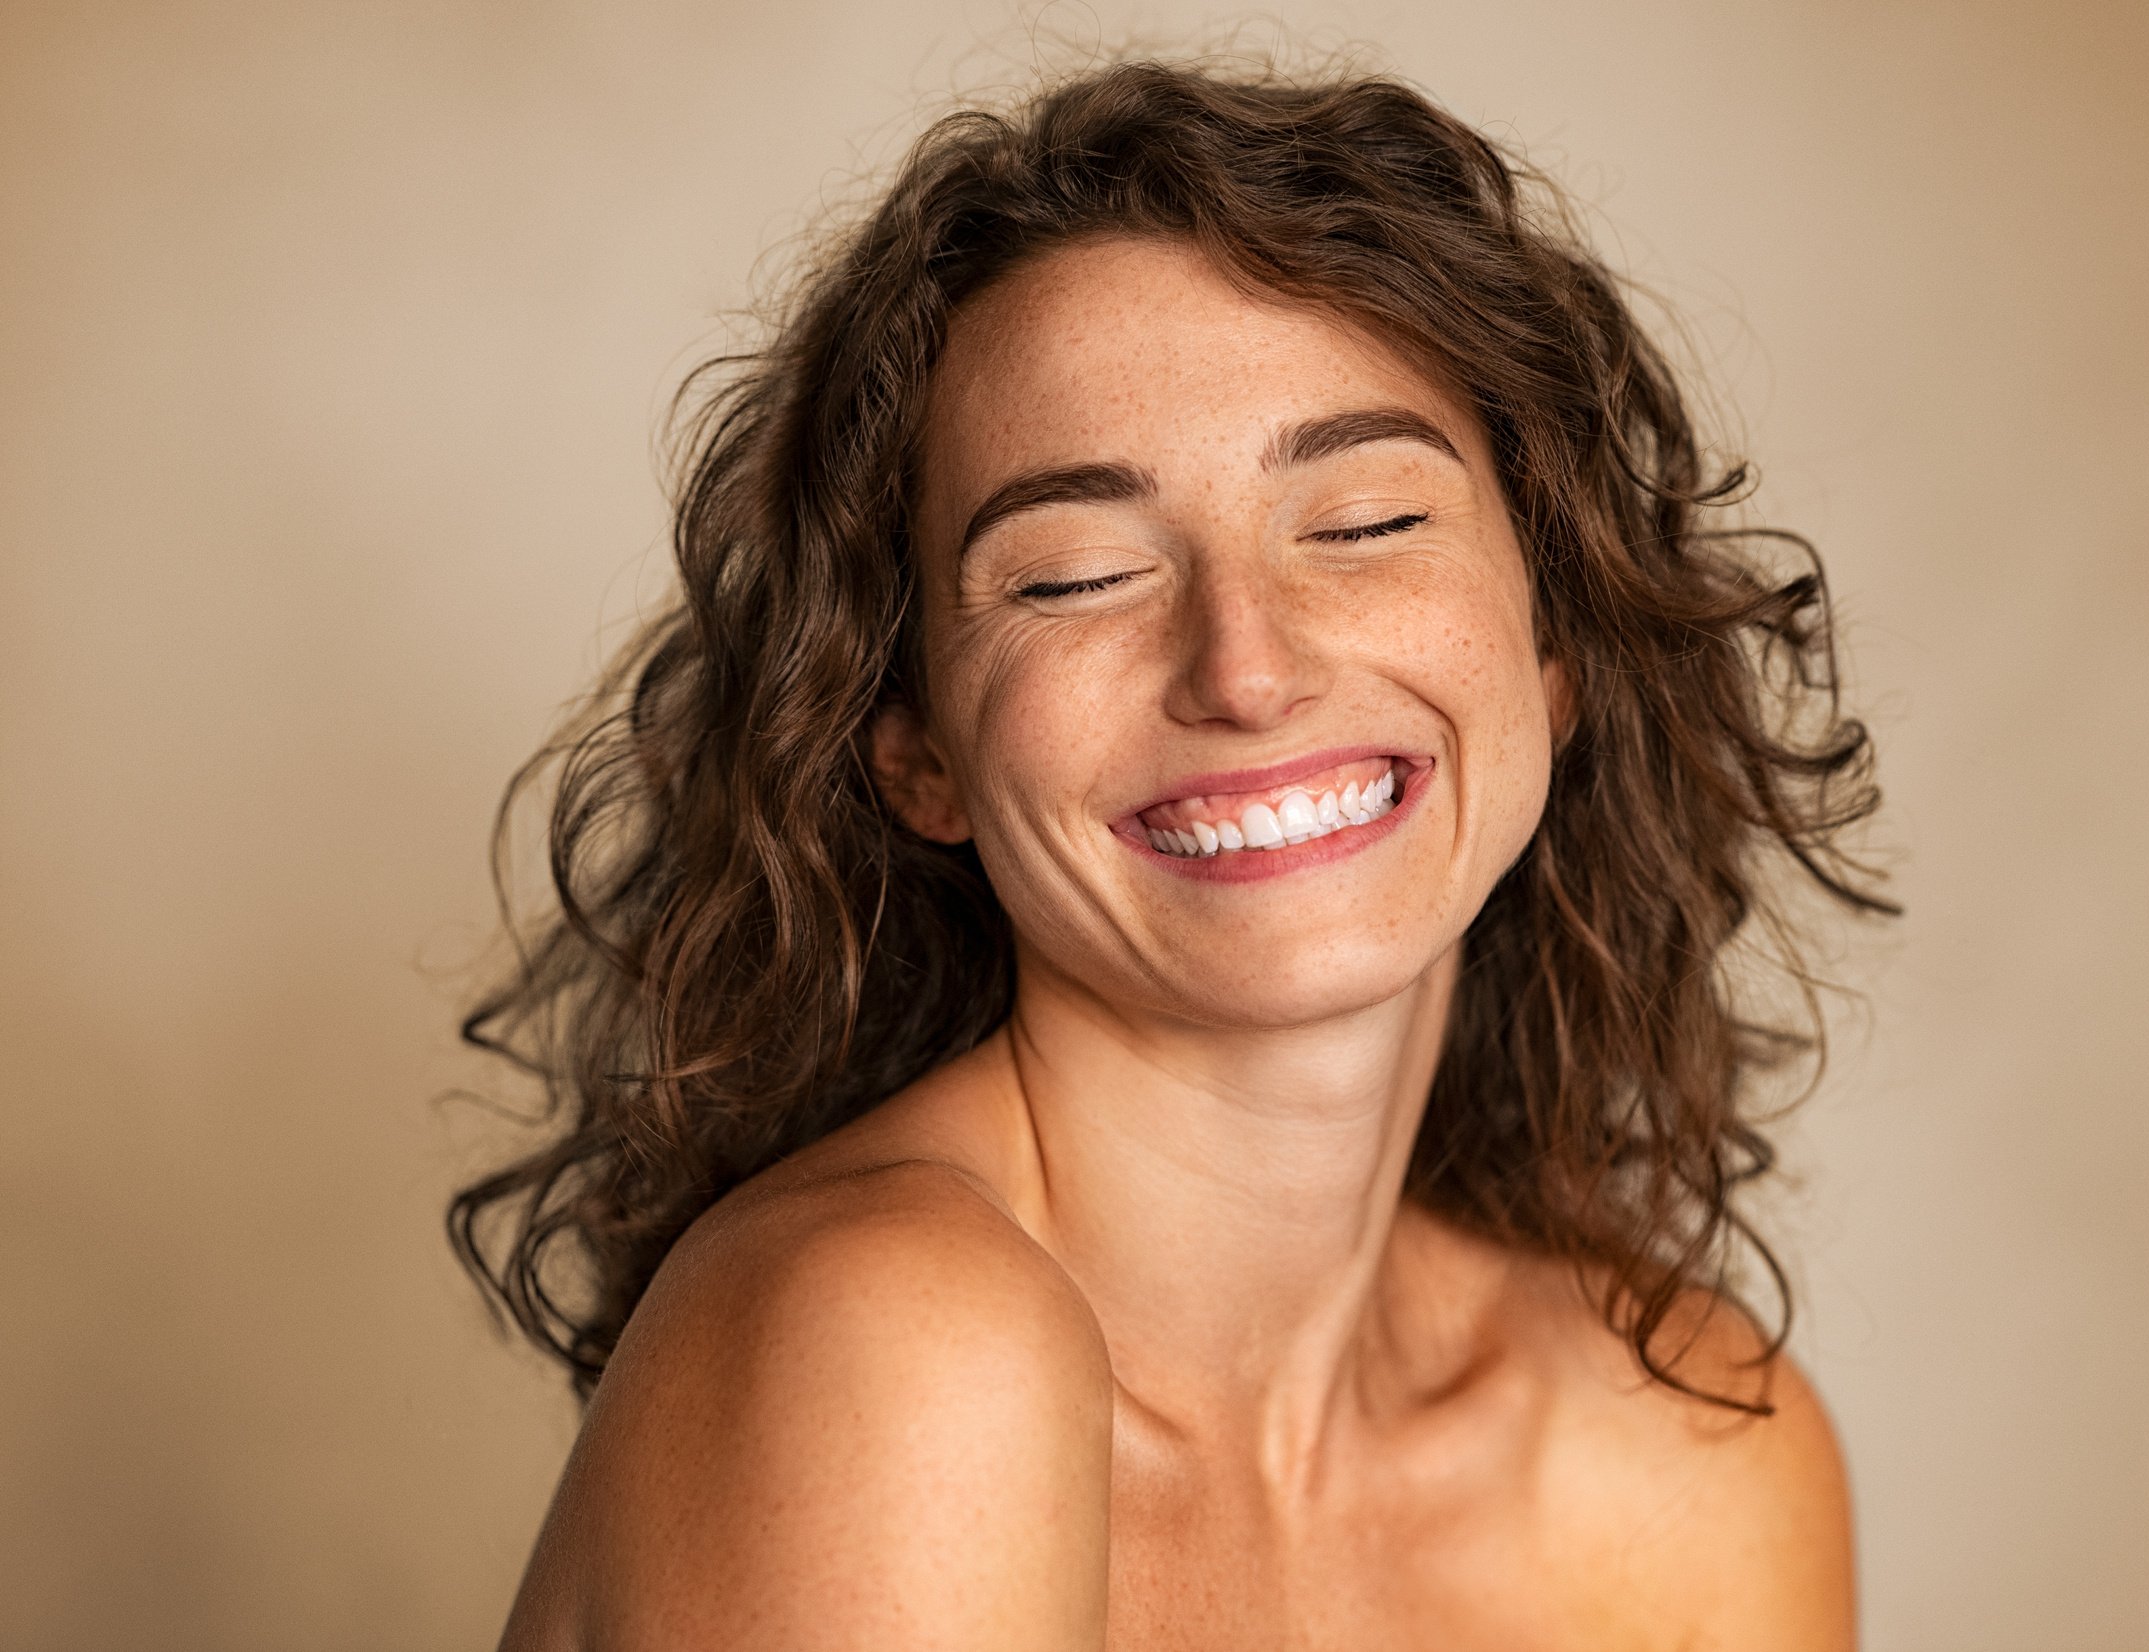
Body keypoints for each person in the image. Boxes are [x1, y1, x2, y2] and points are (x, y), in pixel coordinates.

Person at [452, 57, 1888, 1650]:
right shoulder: (894, 1337)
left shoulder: (1688, 1447)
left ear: (1554, 652)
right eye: (1072, 575)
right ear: (912, 749)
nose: (1246, 668)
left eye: (1364, 524)